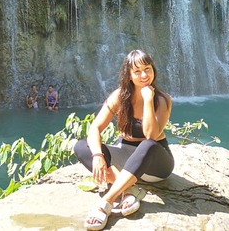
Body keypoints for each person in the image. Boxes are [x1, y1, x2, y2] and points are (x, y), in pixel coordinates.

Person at [73, 50, 174, 230]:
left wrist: (148, 100)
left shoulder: (162, 99)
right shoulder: (120, 96)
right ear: (128, 74)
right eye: (137, 71)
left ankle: (106, 202)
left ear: (154, 70)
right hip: (127, 158)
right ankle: (128, 190)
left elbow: (151, 135)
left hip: (156, 164)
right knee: (81, 146)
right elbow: (95, 128)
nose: (144, 75)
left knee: (148, 144)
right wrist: (97, 155)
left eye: (147, 69)